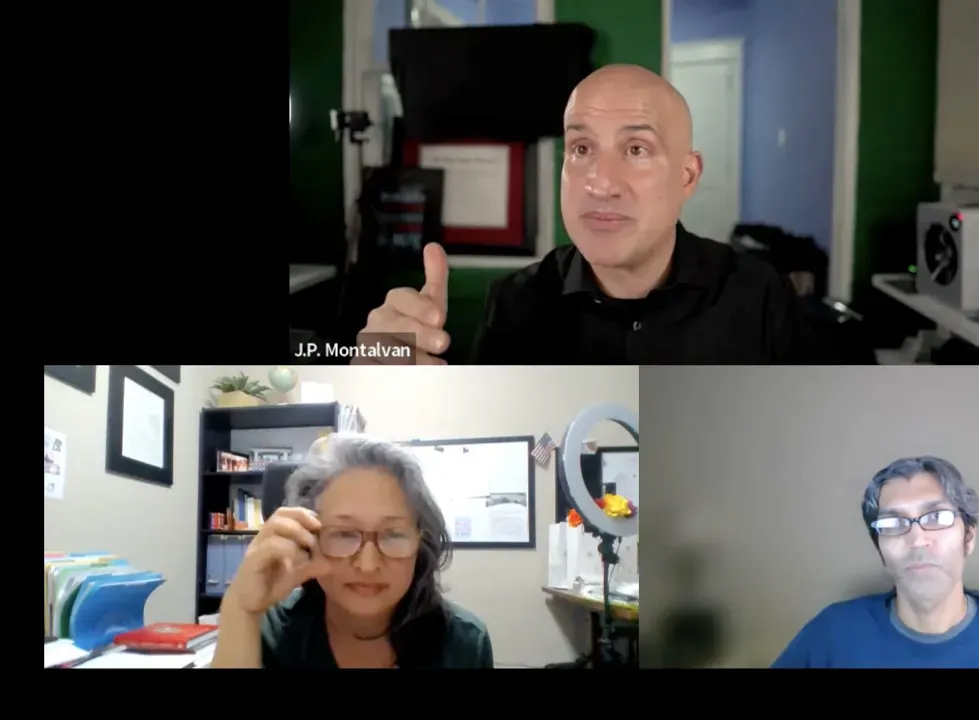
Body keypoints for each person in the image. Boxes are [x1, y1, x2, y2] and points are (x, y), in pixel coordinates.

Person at [356, 63, 819, 365]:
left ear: (687, 176)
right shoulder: (516, 304)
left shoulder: (757, 294)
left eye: (636, 148)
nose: (600, 182)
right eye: (581, 148)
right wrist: (393, 394)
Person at [211, 434, 494, 669]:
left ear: (422, 542)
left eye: (393, 534)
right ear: (308, 537)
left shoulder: (464, 643)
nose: (368, 565)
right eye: (344, 534)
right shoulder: (270, 630)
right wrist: (239, 608)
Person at [772, 457, 979, 669]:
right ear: (880, 550)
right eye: (894, 523)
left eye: (936, 517)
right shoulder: (829, 636)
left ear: (968, 537)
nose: (916, 539)